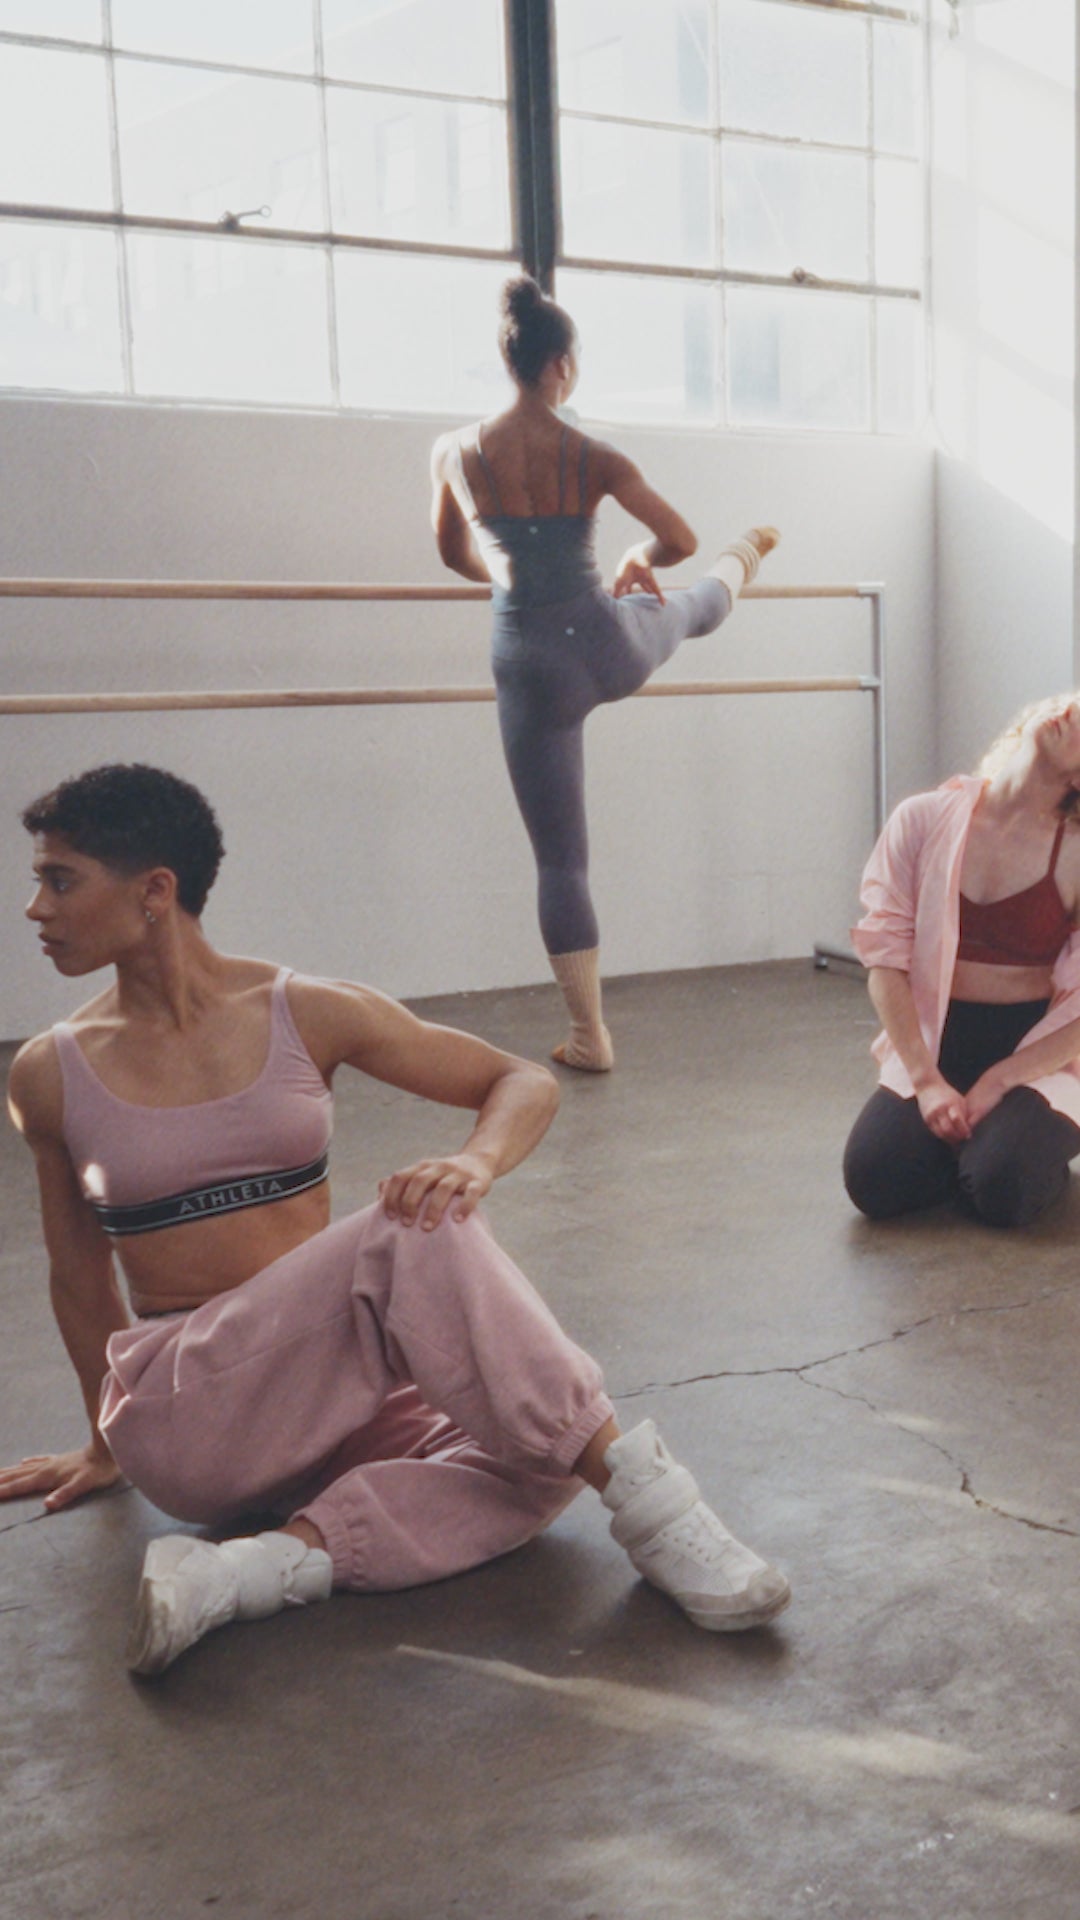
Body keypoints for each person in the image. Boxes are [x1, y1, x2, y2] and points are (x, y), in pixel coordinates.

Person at [1, 763, 790, 1675]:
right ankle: (661, 1512)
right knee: (412, 1228)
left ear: (154, 891)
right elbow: (78, 1276)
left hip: (338, 1398)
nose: (36, 908)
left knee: (545, 1459)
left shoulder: (302, 1012)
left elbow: (519, 1080)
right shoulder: (50, 1073)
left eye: (60, 880)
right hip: (193, 1411)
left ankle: (253, 1571)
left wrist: (475, 1161)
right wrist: (106, 1448)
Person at [430, 274, 779, 1072]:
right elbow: (678, 538)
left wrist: (511, 583)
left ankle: (590, 1036)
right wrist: (633, 557)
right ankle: (748, 553)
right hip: (601, 644)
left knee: (560, 861)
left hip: (527, 663)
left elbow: (451, 552)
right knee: (689, 606)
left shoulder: (452, 452)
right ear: (561, 365)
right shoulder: (593, 455)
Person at [843, 692, 1080, 1226]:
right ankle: (980, 1145)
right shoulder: (922, 819)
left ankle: (1009, 1148)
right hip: (937, 1040)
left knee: (1003, 1189)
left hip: (1037, 1052)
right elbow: (885, 960)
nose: (1068, 711)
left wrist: (1000, 1081)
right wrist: (926, 1081)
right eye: (1070, 705)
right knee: (873, 1181)